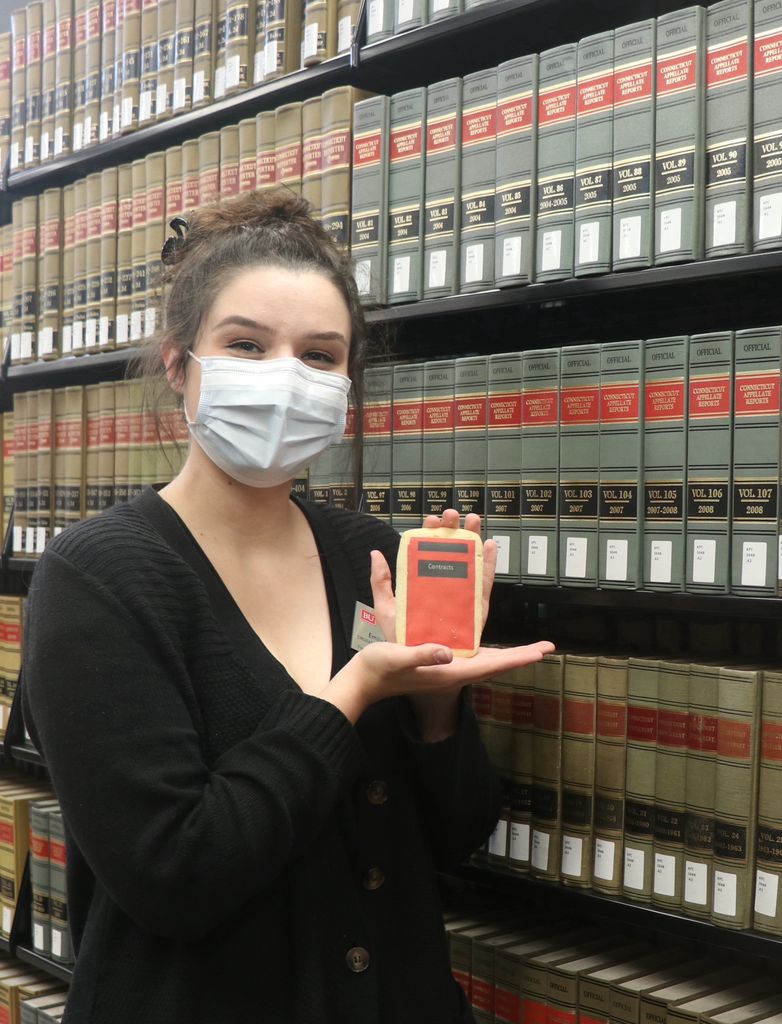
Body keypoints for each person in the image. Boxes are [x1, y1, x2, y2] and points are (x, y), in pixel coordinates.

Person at [21, 189, 554, 1024]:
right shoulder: (98, 578)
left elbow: (450, 838)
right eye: (245, 345)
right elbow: (176, 876)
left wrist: (439, 703)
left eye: (319, 355)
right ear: (177, 364)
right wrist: (355, 694)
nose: (284, 377)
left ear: (346, 383)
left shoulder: (365, 554)